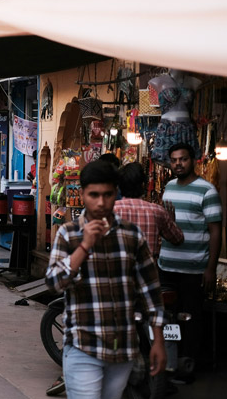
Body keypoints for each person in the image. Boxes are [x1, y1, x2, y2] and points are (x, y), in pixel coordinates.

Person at [46, 160, 166, 399]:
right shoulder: (68, 234)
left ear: (116, 194)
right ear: (82, 194)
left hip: (123, 347)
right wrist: (84, 246)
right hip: (83, 345)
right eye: (94, 195)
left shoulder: (132, 235)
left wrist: (158, 340)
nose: (101, 202)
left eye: (107, 194)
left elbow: (150, 290)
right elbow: (54, 283)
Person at [158, 142, 222, 372]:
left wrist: (210, 268)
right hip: (166, 265)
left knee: (191, 318)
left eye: (183, 159)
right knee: (166, 318)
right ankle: (167, 363)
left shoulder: (207, 190)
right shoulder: (169, 187)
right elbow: (166, 225)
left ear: (192, 160)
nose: (178, 164)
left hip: (194, 269)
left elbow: (215, 230)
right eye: (174, 160)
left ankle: (187, 364)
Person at [115, 162, 184, 259]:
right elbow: (178, 239)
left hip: (119, 269)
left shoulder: (111, 210)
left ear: (120, 186)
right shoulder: (156, 211)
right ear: (143, 184)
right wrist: (171, 220)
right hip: (148, 271)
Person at [148, 70, 202, 163]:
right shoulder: (158, 81)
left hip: (186, 129)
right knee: (169, 160)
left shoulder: (194, 82)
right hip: (167, 127)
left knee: (186, 160)